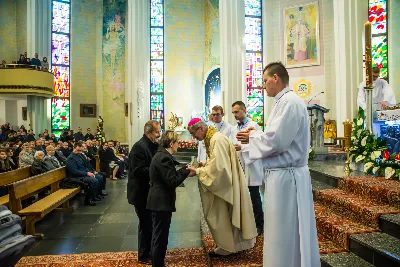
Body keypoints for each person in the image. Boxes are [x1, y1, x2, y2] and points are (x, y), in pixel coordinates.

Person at [236, 62, 320, 267]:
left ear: (276, 78)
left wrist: (252, 137)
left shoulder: (290, 102)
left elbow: (277, 141)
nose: (263, 86)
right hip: (280, 176)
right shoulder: (282, 102)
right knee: (279, 231)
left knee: (285, 232)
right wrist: (250, 143)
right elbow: (274, 137)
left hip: (287, 179)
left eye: (265, 81)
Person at [187, 118, 257, 256]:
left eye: (193, 133)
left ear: (201, 128)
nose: (193, 137)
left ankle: (229, 247)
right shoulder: (214, 138)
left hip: (226, 183)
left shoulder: (216, 140)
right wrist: (205, 165)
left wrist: (199, 171)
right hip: (230, 182)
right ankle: (234, 245)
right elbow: (217, 162)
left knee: (224, 213)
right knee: (229, 213)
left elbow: (219, 169)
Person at [147, 131, 190, 267]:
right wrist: (186, 171)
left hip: (159, 201)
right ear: (171, 143)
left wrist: (184, 169)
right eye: (177, 142)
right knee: (160, 238)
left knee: (159, 236)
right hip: (160, 202)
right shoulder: (163, 157)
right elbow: (172, 181)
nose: (179, 145)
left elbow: (168, 175)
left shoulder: (162, 155)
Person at [127, 120, 160, 265]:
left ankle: (150, 251)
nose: (159, 135)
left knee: (150, 223)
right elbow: (137, 171)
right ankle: (143, 255)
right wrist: (157, 169)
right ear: (148, 133)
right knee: (146, 223)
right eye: (156, 132)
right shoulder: (139, 148)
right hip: (140, 193)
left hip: (148, 191)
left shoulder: (152, 144)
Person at [230, 101, 264, 235]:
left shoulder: (253, 126)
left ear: (244, 110)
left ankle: (259, 224)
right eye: (233, 112)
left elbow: (259, 144)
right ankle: (245, 223)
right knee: (241, 195)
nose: (234, 115)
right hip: (239, 164)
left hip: (251, 165)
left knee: (254, 195)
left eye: (237, 112)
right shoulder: (233, 128)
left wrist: (241, 147)